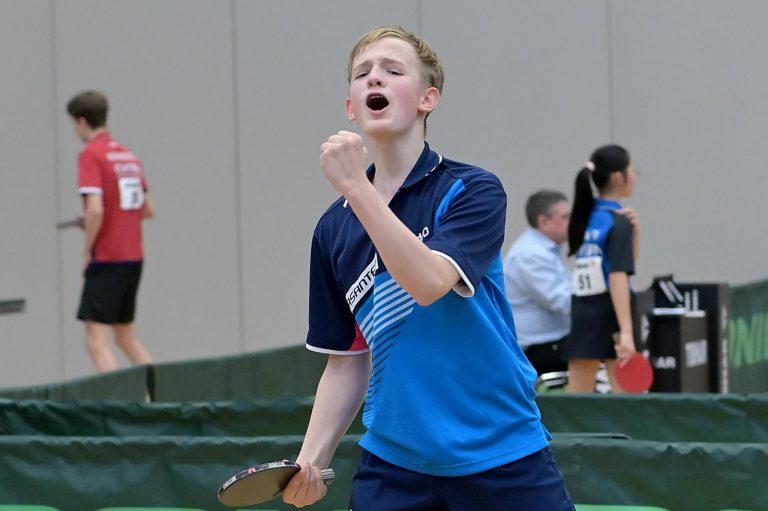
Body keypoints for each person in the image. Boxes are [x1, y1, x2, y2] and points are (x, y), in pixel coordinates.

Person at [281, 27, 575, 511]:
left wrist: (357, 188)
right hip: (395, 463)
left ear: (427, 99)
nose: (375, 77)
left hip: (503, 453)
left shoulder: (471, 190)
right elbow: (347, 361)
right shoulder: (333, 230)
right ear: (352, 107)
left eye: (393, 70)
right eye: (363, 73)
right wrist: (310, 462)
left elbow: (429, 283)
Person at [66, 91, 155, 372]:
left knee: (96, 340)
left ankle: (118, 398)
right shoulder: (127, 155)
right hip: (133, 256)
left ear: (82, 122)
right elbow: (147, 209)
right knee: (126, 336)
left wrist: (87, 250)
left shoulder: (91, 155)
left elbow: (95, 209)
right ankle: (161, 393)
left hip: (108, 257)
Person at [566, 144, 640, 393]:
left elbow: (623, 264)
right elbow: (619, 275)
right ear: (619, 177)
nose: (635, 175)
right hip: (613, 311)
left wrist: (635, 233)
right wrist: (627, 332)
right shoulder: (618, 220)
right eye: (632, 169)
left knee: (576, 402)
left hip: (583, 311)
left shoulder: (583, 215)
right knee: (626, 403)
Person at [503, 190, 571, 376]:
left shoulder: (544, 250)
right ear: (544, 222)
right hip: (540, 349)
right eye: (565, 217)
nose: (572, 222)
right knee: (598, 350)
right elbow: (560, 301)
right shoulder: (530, 255)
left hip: (553, 343)